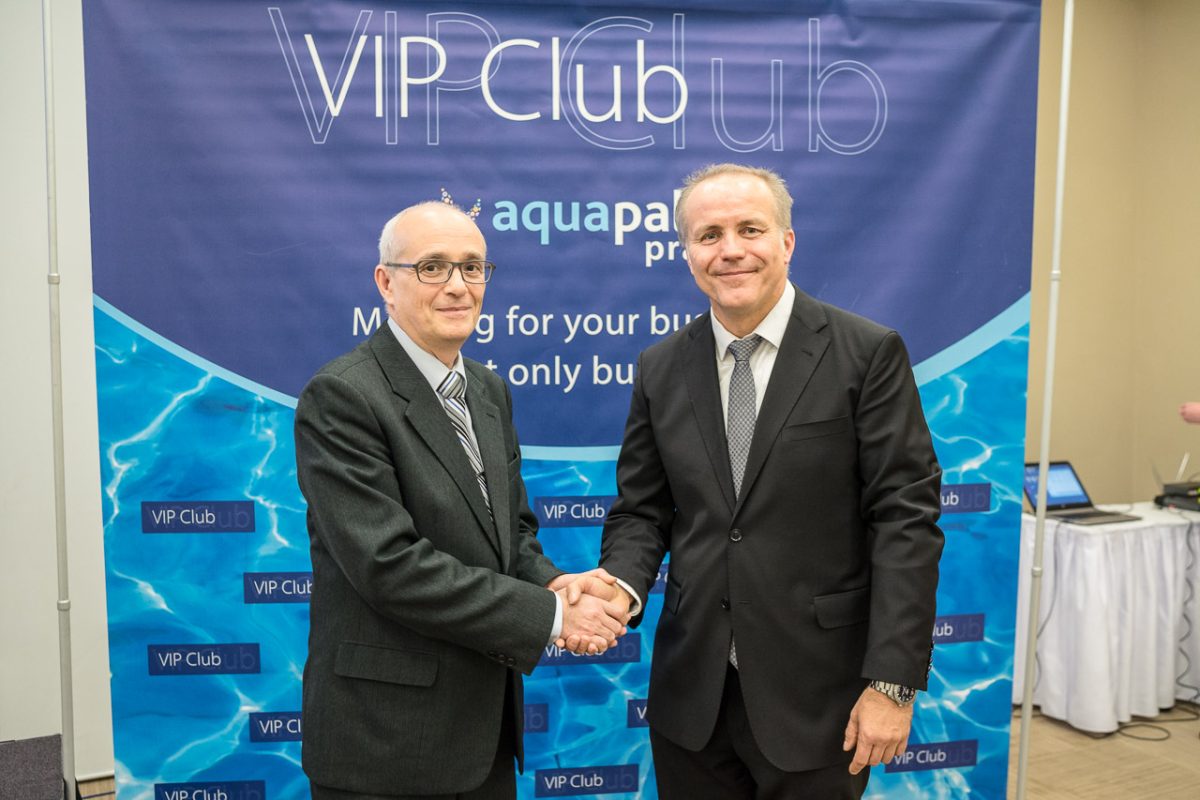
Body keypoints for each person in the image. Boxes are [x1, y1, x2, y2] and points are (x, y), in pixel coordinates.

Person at [591, 164, 945, 798]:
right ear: (687, 253)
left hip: (821, 700)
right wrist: (618, 588)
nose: (730, 250)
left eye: (749, 229)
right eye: (709, 235)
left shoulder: (867, 354)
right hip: (691, 701)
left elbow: (904, 521)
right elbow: (642, 511)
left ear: (787, 241)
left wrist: (892, 684)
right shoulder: (660, 367)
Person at [294, 201, 628, 799]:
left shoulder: (487, 389)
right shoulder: (343, 396)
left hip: (483, 736)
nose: (457, 286)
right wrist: (554, 616)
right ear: (385, 283)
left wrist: (556, 583)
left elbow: (511, 534)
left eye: (472, 267)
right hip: (386, 745)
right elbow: (389, 565)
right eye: (432, 267)